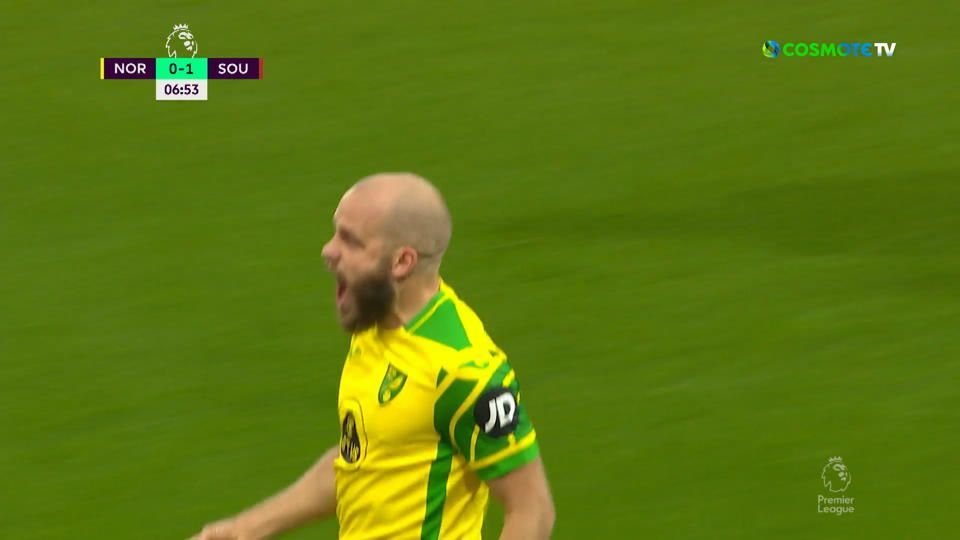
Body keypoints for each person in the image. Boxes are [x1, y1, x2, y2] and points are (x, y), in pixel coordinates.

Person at [191, 173, 555, 539]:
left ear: (402, 262)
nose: (328, 250)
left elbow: (533, 510)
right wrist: (243, 529)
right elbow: (362, 461)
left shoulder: (462, 369)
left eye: (350, 240)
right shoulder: (375, 325)